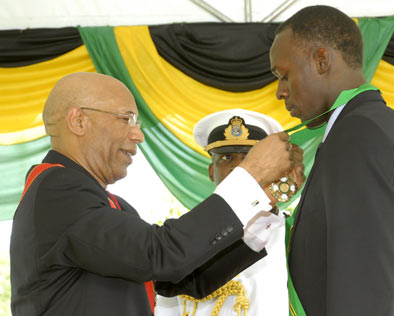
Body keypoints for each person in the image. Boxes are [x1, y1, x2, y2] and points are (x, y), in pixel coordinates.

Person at [9, 72, 304, 316]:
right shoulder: (57, 190)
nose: (138, 135)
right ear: (78, 121)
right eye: (127, 119)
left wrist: (265, 200)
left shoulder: (109, 205)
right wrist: (251, 175)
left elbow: (186, 277)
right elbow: (163, 253)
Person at [269, 5, 394, 316]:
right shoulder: (371, 125)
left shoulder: (358, 135)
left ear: (321, 60)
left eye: (284, 76)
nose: (280, 92)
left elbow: (362, 294)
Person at [155, 109, 290, 316]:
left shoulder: (293, 235)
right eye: (227, 157)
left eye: (248, 159)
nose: (238, 168)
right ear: (211, 171)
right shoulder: (181, 241)